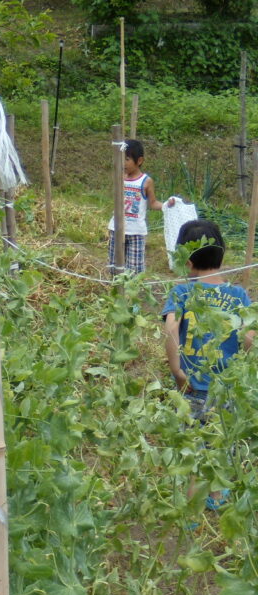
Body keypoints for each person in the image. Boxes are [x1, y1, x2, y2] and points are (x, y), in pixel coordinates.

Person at [162, 220, 253, 508]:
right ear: (222, 255)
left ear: (186, 262)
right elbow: (249, 337)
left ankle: (191, 511)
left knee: (192, 450)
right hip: (226, 389)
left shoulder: (180, 293)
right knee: (220, 444)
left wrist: (177, 371)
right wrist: (240, 364)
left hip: (191, 388)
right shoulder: (239, 295)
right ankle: (216, 499)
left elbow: (171, 329)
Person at [107, 139, 169, 274]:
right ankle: (115, 287)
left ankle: (131, 287)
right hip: (116, 229)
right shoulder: (119, 177)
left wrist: (166, 205)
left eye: (127, 159)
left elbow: (153, 203)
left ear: (139, 160)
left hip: (136, 231)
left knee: (134, 270)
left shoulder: (146, 181)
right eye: (121, 159)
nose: (123, 163)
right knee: (114, 266)